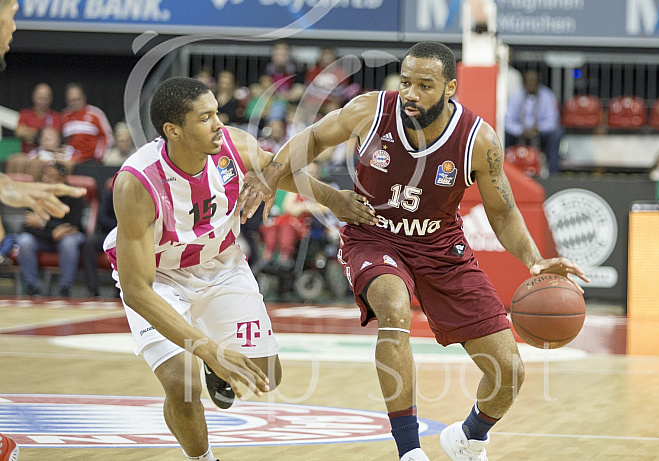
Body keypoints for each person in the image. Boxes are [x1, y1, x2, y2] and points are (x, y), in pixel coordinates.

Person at [238, 41, 588, 461]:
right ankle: (409, 451)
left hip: (441, 248)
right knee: (394, 307)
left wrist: (533, 259)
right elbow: (312, 139)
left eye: (425, 85)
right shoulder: (371, 110)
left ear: (450, 88)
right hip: (374, 235)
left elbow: (505, 211)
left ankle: (469, 436)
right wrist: (270, 175)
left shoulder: (478, 140)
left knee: (509, 371)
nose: (411, 93)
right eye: (406, 82)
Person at [102, 77, 375, 461]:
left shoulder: (234, 145)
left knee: (266, 375)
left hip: (221, 264)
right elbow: (138, 291)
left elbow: (279, 171)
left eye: (217, 113)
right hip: (160, 278)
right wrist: (209, 350)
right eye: (205, 118)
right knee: (182, 384)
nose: (219, 124)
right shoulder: (137, 183)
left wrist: (333, 199)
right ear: (173, 130)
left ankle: (217, 367)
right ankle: (202, 457)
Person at [0, 0, 86, 222]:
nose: (15, 27)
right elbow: (23, 133)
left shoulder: (55, 117)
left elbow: (50, 137)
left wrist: (4, 185)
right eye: (13, 15)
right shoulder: (26, 114)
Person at [17, 162, 85, 296]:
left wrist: (43, 224)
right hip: (43, 238)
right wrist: (51, 228)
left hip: (67, 237)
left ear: (62, 179)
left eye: (51, 176)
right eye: (45, 176)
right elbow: (27, 224)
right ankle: (32, 287)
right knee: (24, 241)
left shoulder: (74, 194)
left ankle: (65, 288)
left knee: (69, 242)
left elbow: (73, 224)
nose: (47, 179)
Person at [505, 69, 563, 176]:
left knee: (556, 134)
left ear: (538, 83)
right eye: (528, 81)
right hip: (519, 133)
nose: (531, 84)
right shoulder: (515, 96)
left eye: (534, 81)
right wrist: (520, 130)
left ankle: (553, 174)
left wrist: (538, 129)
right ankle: (504, 172)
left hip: (540, 134)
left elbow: (552, 120)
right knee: (502, 135)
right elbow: (507, 120)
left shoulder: (548, 95)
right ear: (524, 82)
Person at [61, 82, 113, 163]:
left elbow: (108, 137)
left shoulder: (96, 114)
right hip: (70, 161)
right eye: (71, 100)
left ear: (84, 97)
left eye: (77, 99)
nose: (74, 102)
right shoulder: (64, 116)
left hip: (92, 160)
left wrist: (99, 156)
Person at [81, 186, 116, 297]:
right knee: (88, 243)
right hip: (108, 233)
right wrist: (119, 226)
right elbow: (101, 218)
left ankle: (120, 291)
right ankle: (92, 289)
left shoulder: (137, 196)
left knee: (129, 246)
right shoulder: (109, 195)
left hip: (128, 235)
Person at [6, 126, 75, 180]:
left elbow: (72, 162)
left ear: (59, 139)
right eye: (44, 137)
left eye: (50, 136)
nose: (46, 138)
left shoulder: (67, 150)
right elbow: (29, 161)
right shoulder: (35, 152)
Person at [14, 82, 63, 153]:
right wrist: (42, 134)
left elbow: (54, 136)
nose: (42, 101)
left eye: (45, 98)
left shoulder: (56, 116)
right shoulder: (24, 114)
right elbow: (18, 132)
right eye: (39, 97)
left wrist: (29, 133)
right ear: (33, 96)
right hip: (27, 154)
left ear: (50, 99)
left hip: (48, 155)